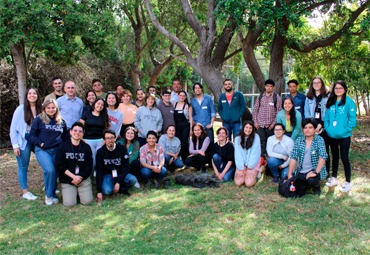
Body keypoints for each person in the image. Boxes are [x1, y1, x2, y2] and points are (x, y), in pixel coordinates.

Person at [29, 99, 69, 205]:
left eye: (53, 108)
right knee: (49, 170)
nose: (51, 110)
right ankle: (49, 196)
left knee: (56, 172)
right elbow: (31, 135)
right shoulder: (39, 119)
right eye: (48, 108)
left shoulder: (61, 121)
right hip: (43, 150)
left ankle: (52, 193)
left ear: (56, 109)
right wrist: (41, 144)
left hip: (57, 150)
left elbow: (66, 137)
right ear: (44, 109)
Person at [10, 88, 42, 200]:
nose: (32, 95)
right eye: (30, 93)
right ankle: (25, 192)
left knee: (45, 161)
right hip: (24, 140)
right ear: (26, 95)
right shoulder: (20, 109)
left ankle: (48, 185)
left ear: (37, 95)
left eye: (34, 93)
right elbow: (13, 128)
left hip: (37, 139)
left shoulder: (41, 108)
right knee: (23, 166)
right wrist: (15, 145)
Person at [324, 80, 356, 192]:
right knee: (335, 157)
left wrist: (344, 130)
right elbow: (326, 118)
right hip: (332, 135)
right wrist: (328, 129)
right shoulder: (331, 101)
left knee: (344, 157)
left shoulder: (349, 102)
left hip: (344, 136)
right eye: (336, 88)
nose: (338, 90)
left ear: (345, 89)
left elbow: (352, 120)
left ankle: (348, 182)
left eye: (340, 88)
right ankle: (334, 178)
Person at [55, 122, 94, 206]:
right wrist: (73, 177)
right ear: (70, 132)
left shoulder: (86, 147)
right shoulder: (63, 146)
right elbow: (60, 165)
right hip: (68, 179)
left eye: (80, 131)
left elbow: (89, 166)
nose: (77, 133)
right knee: (69, 204)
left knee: (87, 202)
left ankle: (79, 192)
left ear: (83, 134)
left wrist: (79, 177)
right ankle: (71, 193)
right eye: (75, 130)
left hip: (83, 179)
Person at [287, 118, 328, 197]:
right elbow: (293, 157)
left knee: (311, 180)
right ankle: (305, 184)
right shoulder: (299, 140)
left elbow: (323, 156)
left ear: (314, 129)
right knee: (298, 190)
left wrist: (315, 172)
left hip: (315, 170)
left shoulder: (319, 140)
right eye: (305, 128)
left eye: (310, 127)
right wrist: (289, 174)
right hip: (301, 170)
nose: (307, 130)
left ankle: (316, 187)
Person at [96, 130, 137, 201]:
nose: (110, 140)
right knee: (107, 191)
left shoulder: (122, 149)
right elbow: (99, 171)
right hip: (108, 175)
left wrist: (118, 182)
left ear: (115, 138)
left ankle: (120, 188)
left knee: (133, 180)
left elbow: (126, 167)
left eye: (112, 138)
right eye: (107, 138)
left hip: (120, 173)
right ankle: (118, 187)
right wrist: (99, 191)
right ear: (104, 140)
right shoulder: (100, 152)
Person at [304, 76, 330, 173]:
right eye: (314, 83)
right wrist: (311, 126)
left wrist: (321, 125)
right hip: (312, 128)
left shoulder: (327, 96)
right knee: (313, 150)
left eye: (318, 82)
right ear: (312, 85)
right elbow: (306, 113)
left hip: (323, 128)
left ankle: (325, 172)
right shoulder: (309, 97)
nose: (316, 84)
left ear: (322, 84)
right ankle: (313, 171)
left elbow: (328, 112)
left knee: (324, 150)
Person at [252, 79, 282, 157]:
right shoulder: (261, 96)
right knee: (261, 142)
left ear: (273, 88)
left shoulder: (276, 97)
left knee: (270, 143)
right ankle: (261, 159)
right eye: (267, 86)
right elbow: (255, 110)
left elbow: (279, 112)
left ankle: (269, 160)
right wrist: (255, 121)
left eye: (271, 86)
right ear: (265, 86)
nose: (269, 88)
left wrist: (274, 123)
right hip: (260, 125)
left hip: (271, 126)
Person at [80, 98, 110, 169]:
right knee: (92, 162)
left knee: (100, 161)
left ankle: (98, 177)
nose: (100, 106)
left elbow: (106, 130)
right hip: (88, 140)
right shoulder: (86, 114)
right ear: (94, 104)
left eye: (102, 105)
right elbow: (80, 127)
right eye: (98, 103)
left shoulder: (104, 116)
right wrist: (81, 139)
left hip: (100, 141)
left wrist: (104, 140)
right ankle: (90, 177)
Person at [234, 121, 261, 187]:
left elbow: (255, 154)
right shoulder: (237, 139)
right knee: (238, 182)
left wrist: (249, 167)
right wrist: (241, 168)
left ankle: (257, 173)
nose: (248, 130)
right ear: (243, 128)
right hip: (242, 163)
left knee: (249, 184)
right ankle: (246, 175)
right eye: (246, 127)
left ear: (253, 129)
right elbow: (238, 155)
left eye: (250, 128)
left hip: (253, 163)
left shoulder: (256, 137)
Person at [173, 90, 193, 160]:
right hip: (177, 126)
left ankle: (185, 159)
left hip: (185, 126)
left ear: (185, 97)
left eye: (183, 96)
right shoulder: (174, 104)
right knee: (177, 141)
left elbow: (190, 118)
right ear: (178, 96)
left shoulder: (188, 106)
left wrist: (191, 129)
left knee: (184, 142)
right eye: (180, 95)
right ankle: (177, 157)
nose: (181, 97)